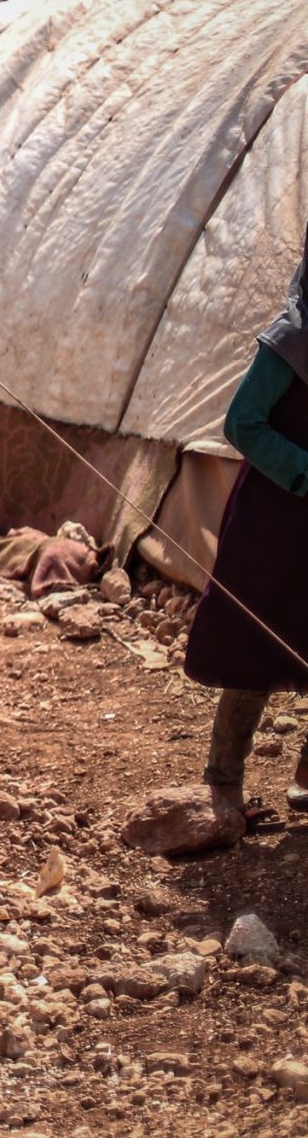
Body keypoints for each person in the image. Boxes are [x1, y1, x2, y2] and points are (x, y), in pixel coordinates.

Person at [185, 232, 308, 839]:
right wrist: (303, 471)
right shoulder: (290, 341)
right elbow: (242, 423)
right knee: (253, 644)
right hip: (275, 519)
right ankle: (224, 784)